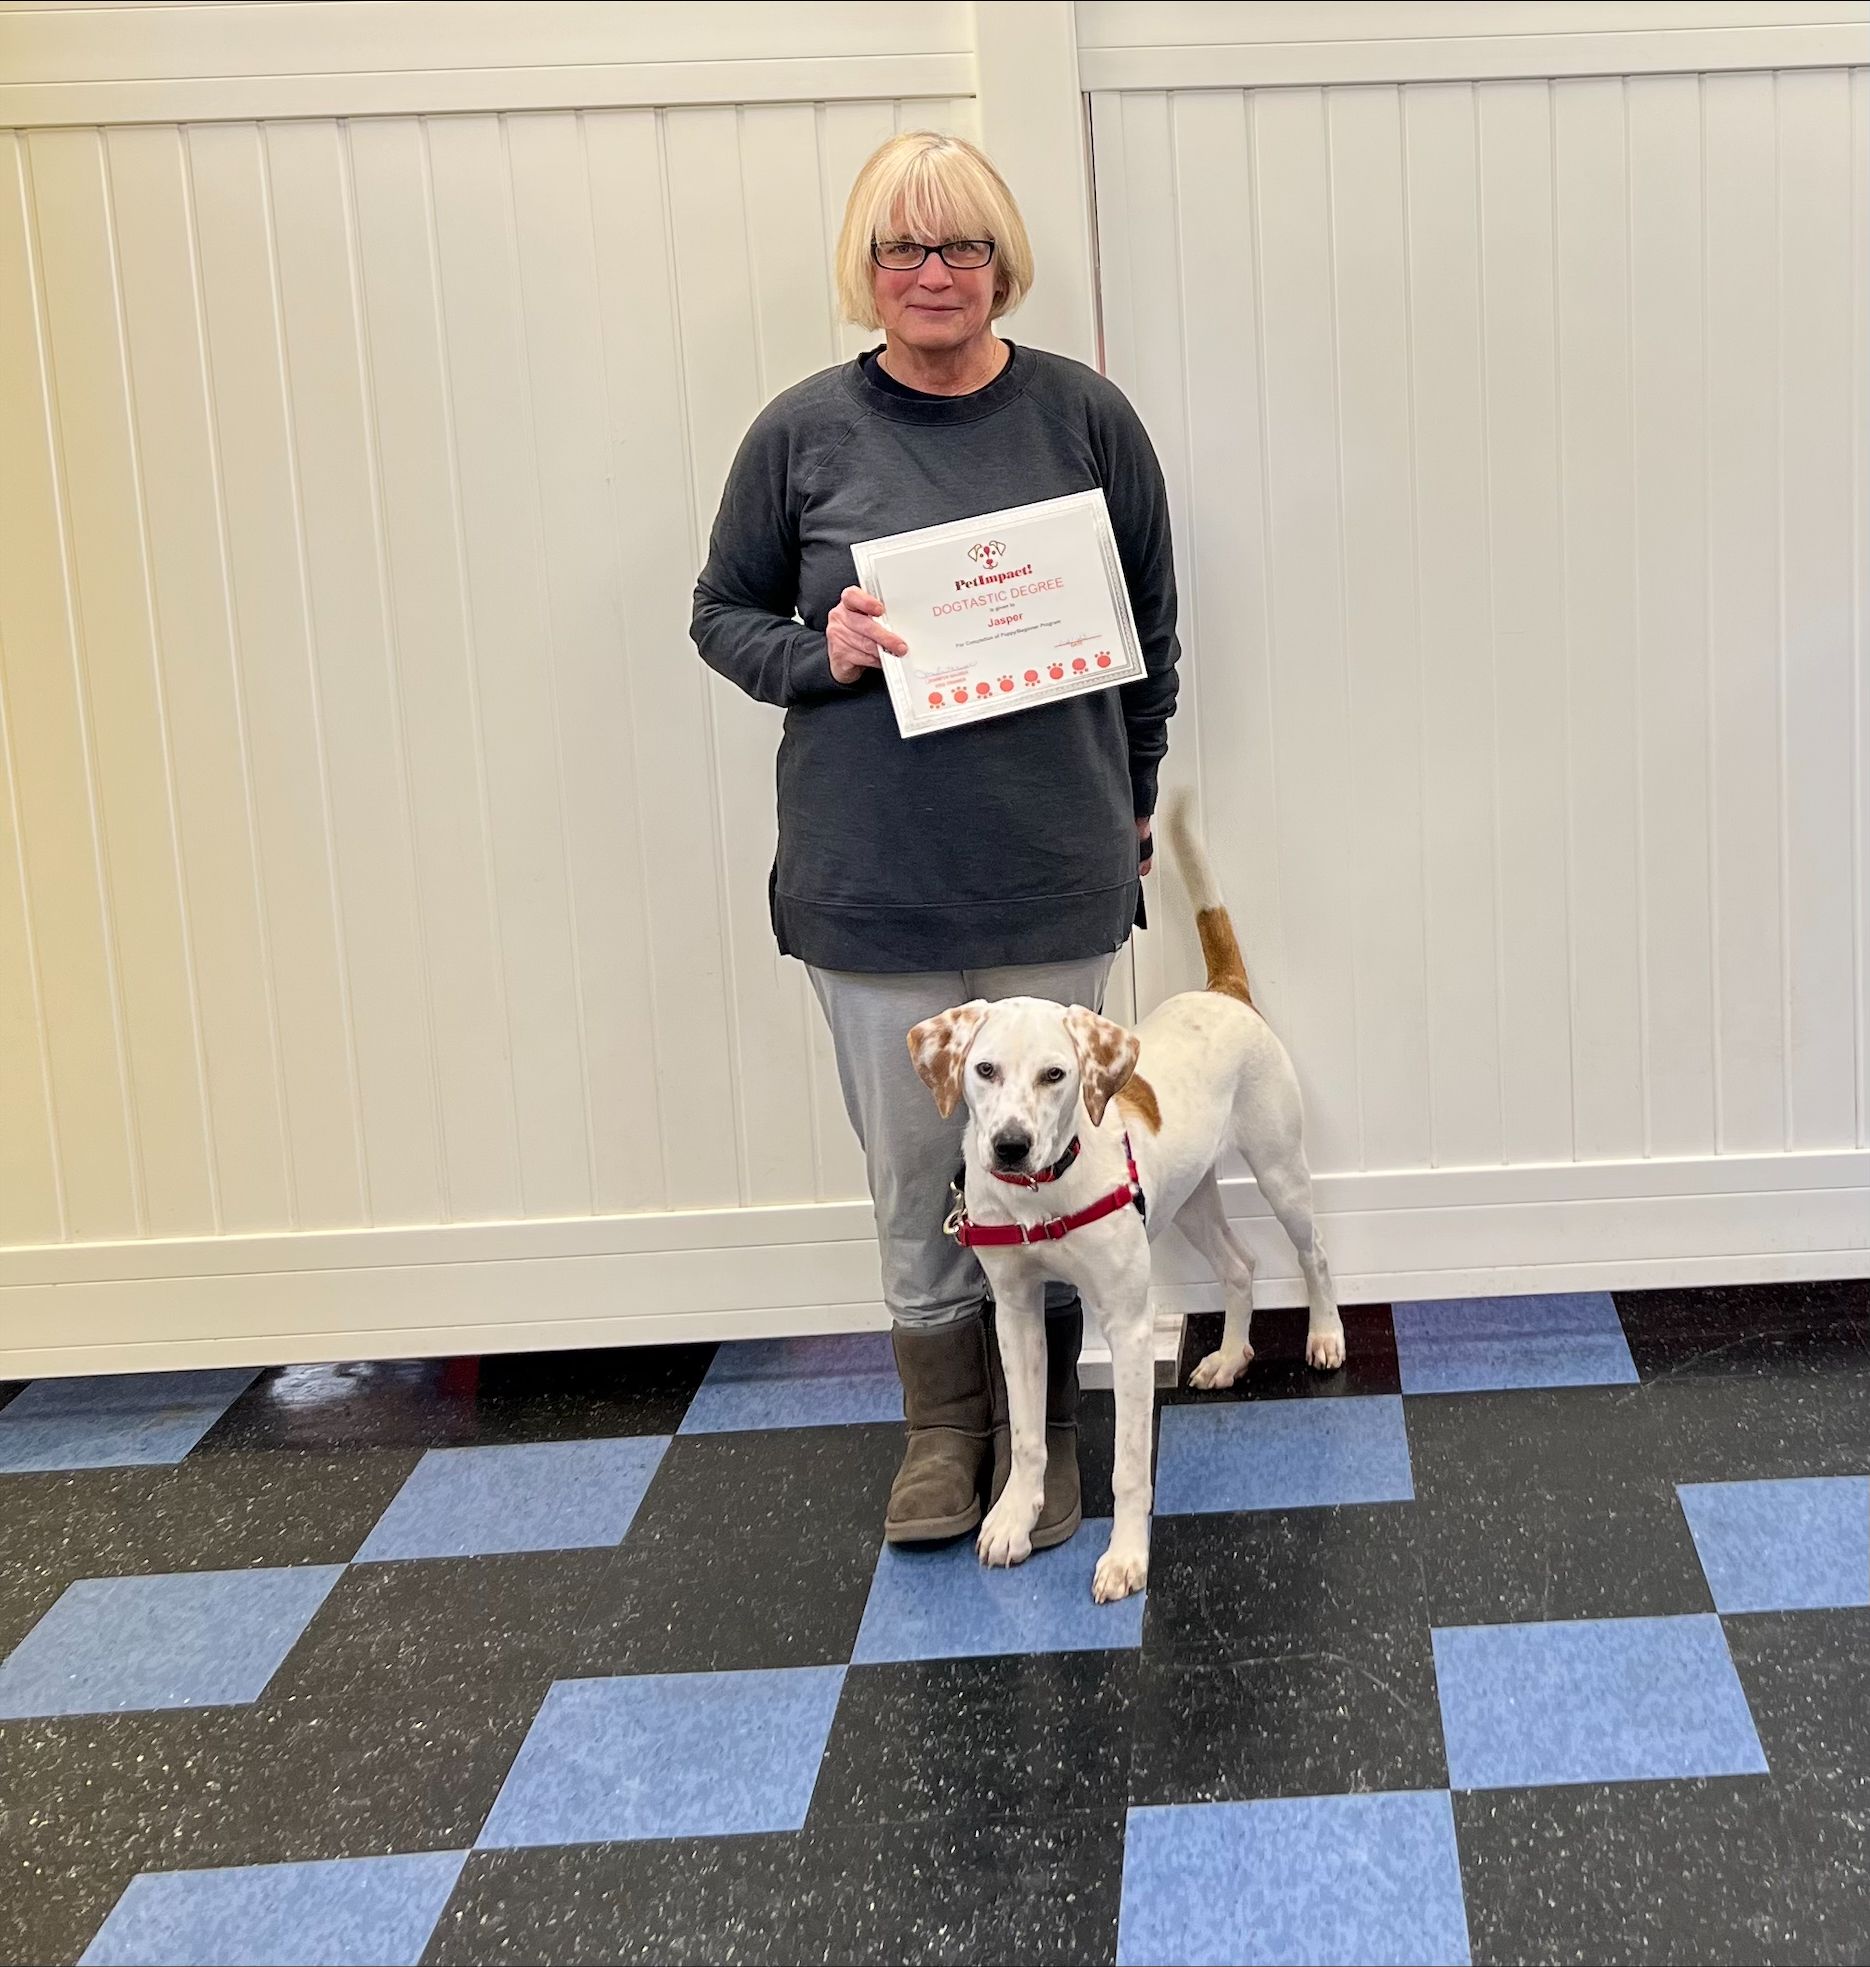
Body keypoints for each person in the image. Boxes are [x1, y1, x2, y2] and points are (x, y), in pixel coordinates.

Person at [690, 131, 1180, 1548]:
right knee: (920, 1174)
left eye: (960, 246)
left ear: (999, 263)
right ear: (866, 268)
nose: (933, 273)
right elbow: (721, 615)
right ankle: (944, 1433)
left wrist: (1132, 797)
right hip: (872, 877)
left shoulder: (1086, 419)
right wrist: (819, 651)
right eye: (902, 248)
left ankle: (1052, 1442)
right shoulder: (800, 434)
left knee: (1061, 1164)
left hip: (1049, 860)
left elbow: (1147, 634)